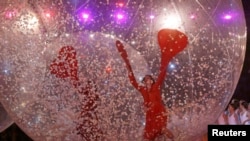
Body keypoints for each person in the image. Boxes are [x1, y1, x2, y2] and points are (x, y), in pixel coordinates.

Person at [115, 28, 188, 141]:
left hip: (159, 111)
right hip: (150, 114)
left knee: (162, 129)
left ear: (152, 81)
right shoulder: (143, 90)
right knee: (149, 136)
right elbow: (133, 81)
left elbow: (162, 73)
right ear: (144, 82)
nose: (148, 80)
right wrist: (127, 63)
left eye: (149, 79)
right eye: (146, 79)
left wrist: (165, 57)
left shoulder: (156, 86)